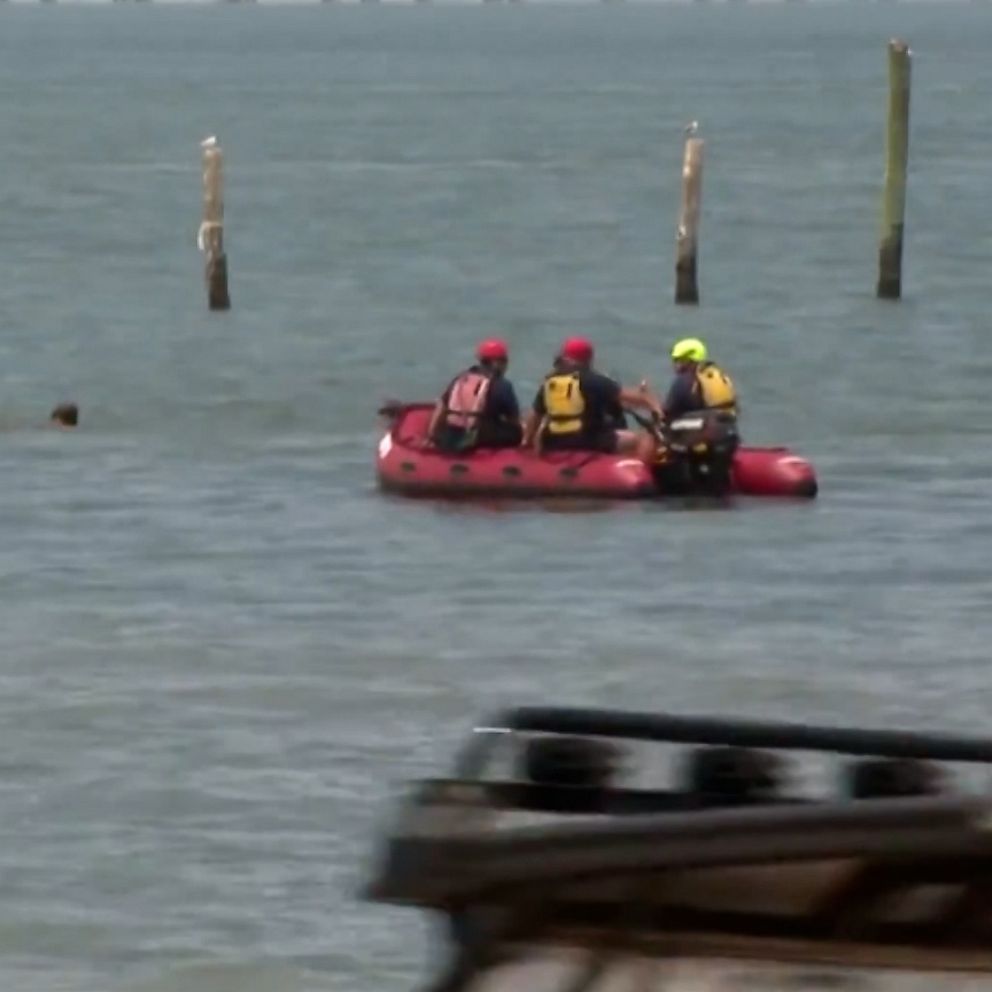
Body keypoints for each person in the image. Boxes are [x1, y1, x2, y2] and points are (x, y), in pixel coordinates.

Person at [521, 337, 662, 461]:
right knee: (644, 438)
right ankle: (638, 472)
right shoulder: (595, 381)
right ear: (588, 359)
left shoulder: (550, 383)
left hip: (554, 441)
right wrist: (656, 407)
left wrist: (526, 441)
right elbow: (635, 398)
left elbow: (534, 417)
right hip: (588, 440)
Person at [654, 338, 739, 492]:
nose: (676, 365)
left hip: (703, 435)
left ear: (689, 360)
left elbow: (667, 414)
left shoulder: (684, 381)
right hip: (728, 433)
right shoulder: (718, 376)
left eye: (679, 361)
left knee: (662, 430)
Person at [426, 339, 522, 452]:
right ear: (496, 362)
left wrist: (431, 436)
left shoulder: (461, 378)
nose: (506, 365)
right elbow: (513, 419)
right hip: (479, 434)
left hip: (452, 432)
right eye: (504, 361)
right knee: (515, 432)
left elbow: (441, 407)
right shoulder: (502, 385)